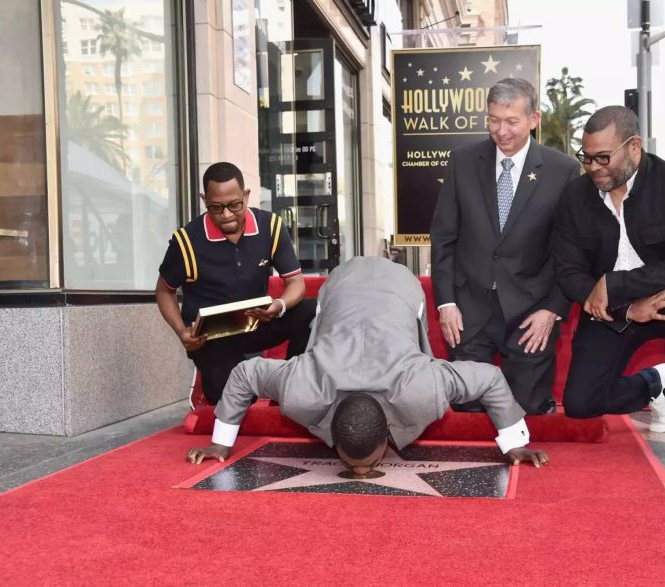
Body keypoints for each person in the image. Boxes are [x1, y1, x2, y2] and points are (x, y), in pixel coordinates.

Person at [186, 256, 549, 475]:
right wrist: (221, 444)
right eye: (355, 464)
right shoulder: (304, 388)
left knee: (415, 344)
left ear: (385, 439)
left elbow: (488, 377)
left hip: (400, 288)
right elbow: (245, 373)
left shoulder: (421, 387)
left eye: (367, 463)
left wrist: (514, 444)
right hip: (339, 286)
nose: (362, 474)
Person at [553, 106, 665, 466]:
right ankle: (654, 385)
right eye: (586, 157)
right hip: (612, 312)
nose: (593, 167)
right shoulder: (575, 196)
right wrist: (625, 307)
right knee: (581, 405)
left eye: (602, 157)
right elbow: (569, 272)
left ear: (634, 147)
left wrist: (615, 283)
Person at [429, 78, 581, 415]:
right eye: (494, 120)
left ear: (533, 119)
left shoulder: (563, 171)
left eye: (512, 121)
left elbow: (570, 251)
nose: (502, 131)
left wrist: (552, 310)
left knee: (527, 411)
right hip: (468, 310)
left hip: (531, 313)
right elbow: (443, 238)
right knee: (467, 412)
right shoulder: (462, 162)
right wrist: (446, 304)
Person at [156, 162, 316, 406]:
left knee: (312, 310)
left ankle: (293, 388)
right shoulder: (187, 241)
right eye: (216, 207)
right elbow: (164, 291)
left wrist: (279, 305)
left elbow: (295, 282)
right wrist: (182, 332)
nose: (227, 214)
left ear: (246, 195)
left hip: (256, 324)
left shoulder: (270, 227)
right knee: (239, 400)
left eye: (234, 205)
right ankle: (214, 384)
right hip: (211, 338)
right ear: (204, 199)